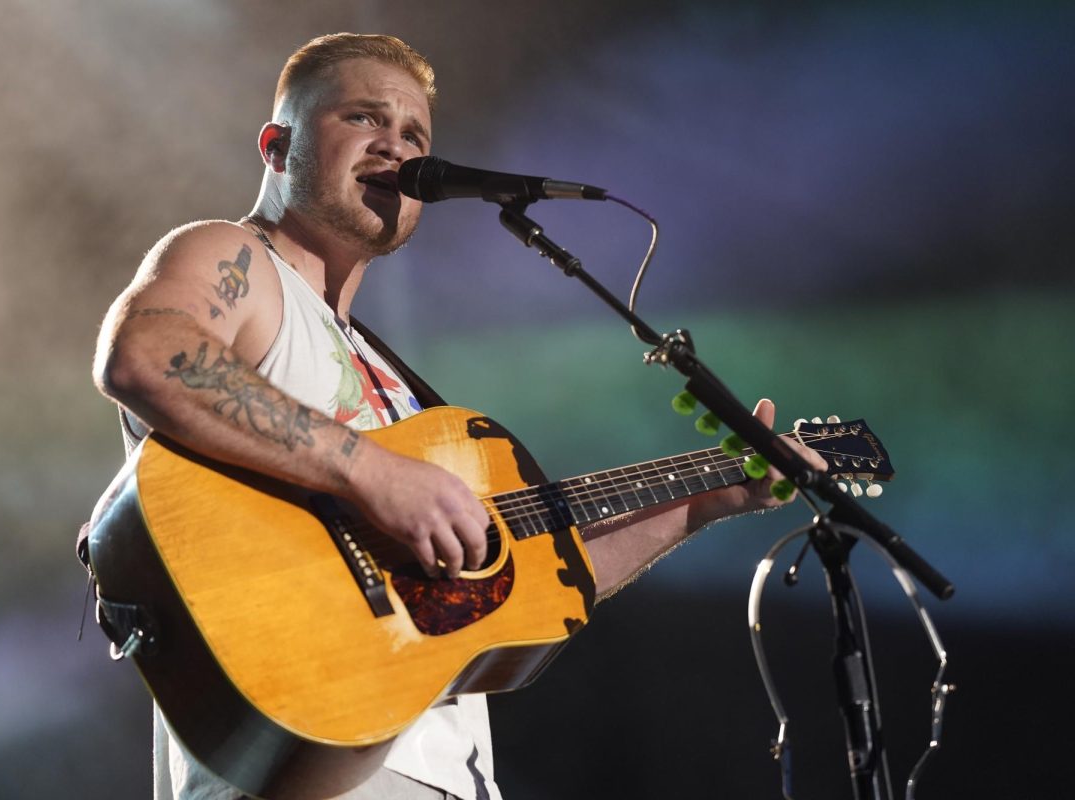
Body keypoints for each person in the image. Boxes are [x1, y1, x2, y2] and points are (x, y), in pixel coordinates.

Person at [92, 32, 825, 800]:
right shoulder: (234, 260)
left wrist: (706, 504)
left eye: (414, 135)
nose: (396, 147)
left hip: (438, 772)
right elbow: (146, 354)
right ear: (279, 146)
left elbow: (533, 576)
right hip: (307, 759)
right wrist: (370, 471)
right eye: (364, 119)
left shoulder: (399, 391)